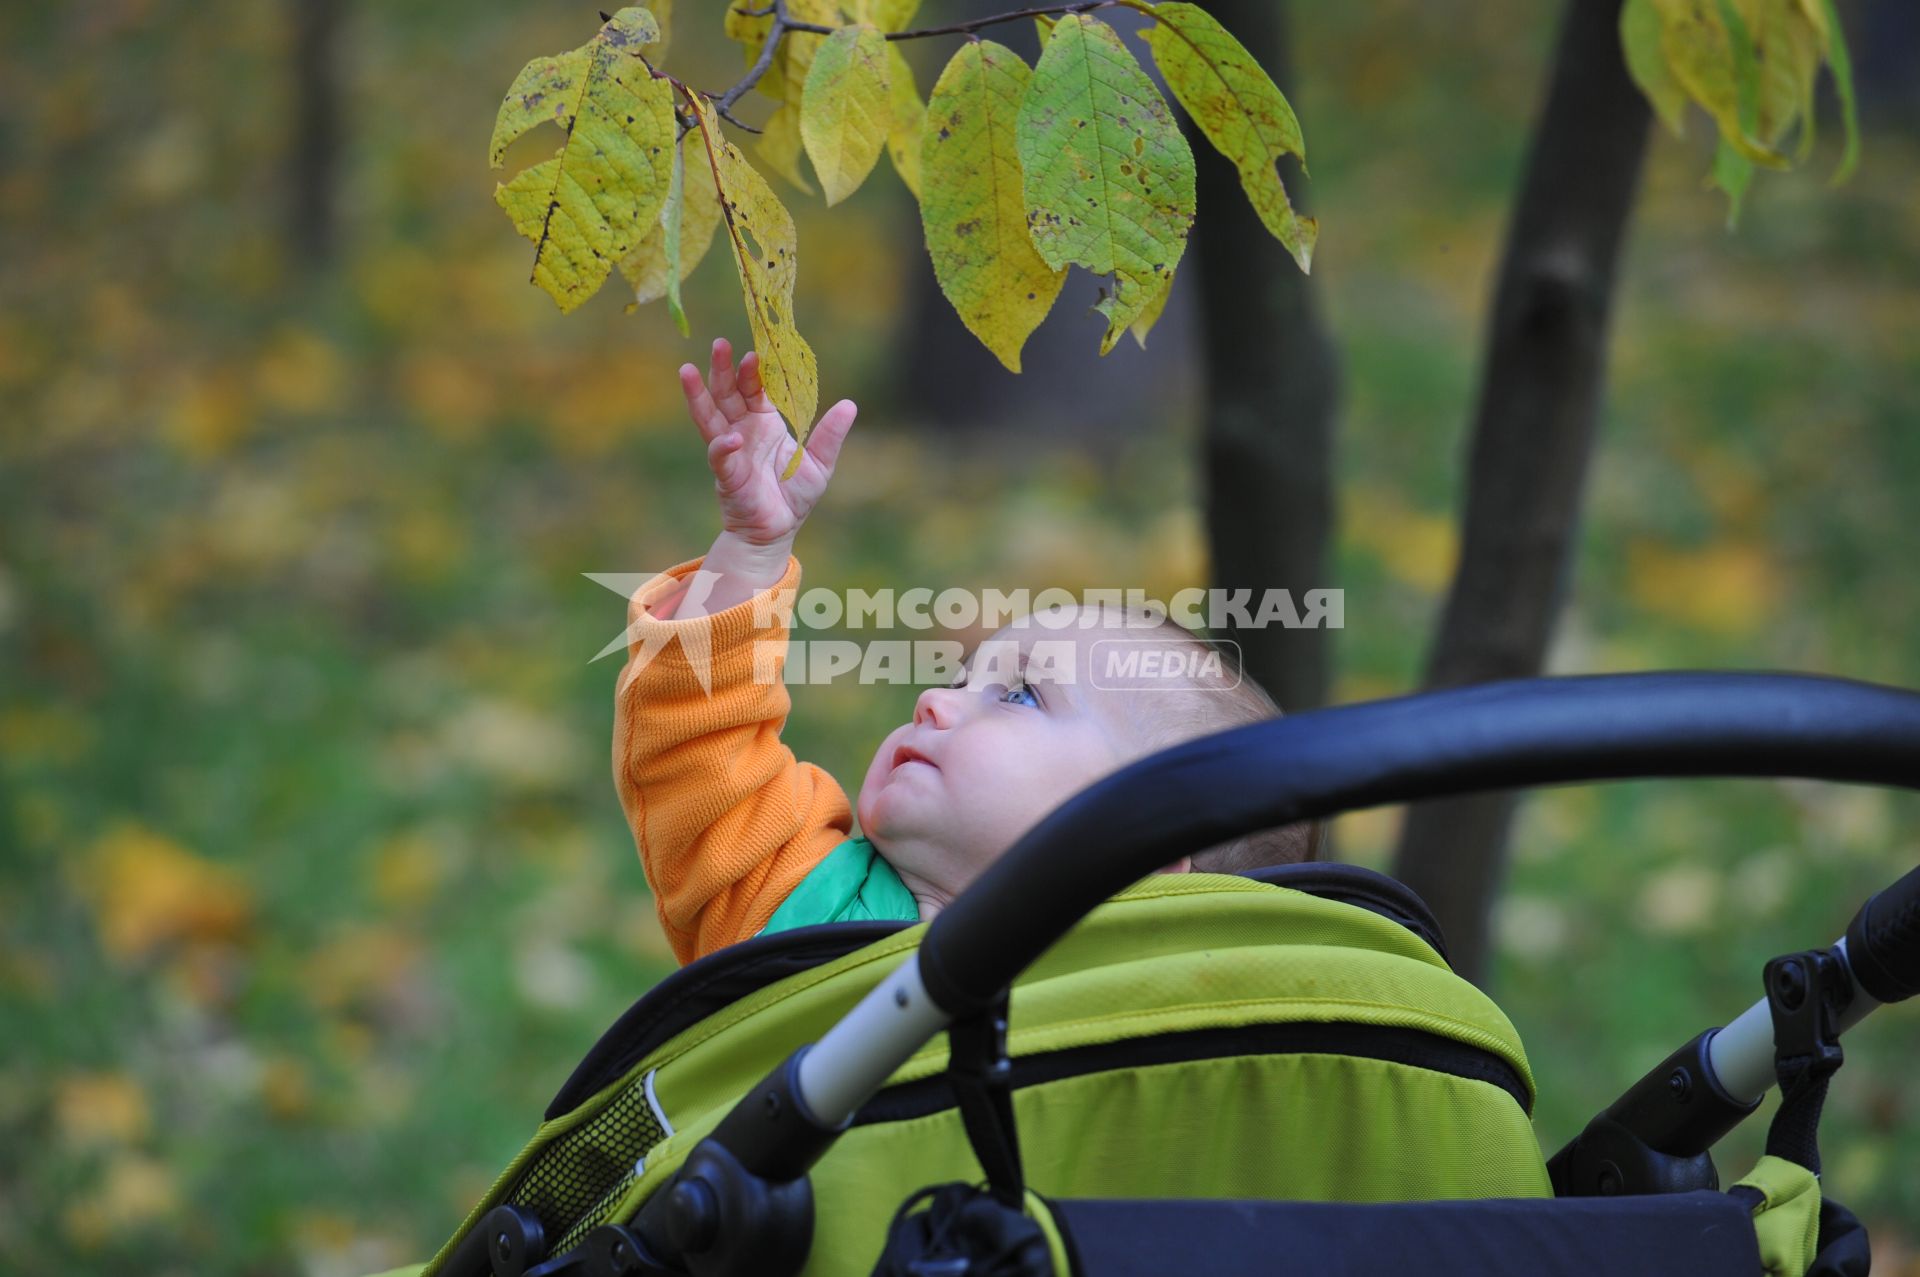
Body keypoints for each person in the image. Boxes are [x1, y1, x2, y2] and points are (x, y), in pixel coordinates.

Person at [616, 339, 1315, 965]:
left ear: (1143, 858)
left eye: (1018, 694)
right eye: (964, 676)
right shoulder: (800, 905)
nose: (935, 699)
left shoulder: (1153, 1049)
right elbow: (699, 749)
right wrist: (750, 550)